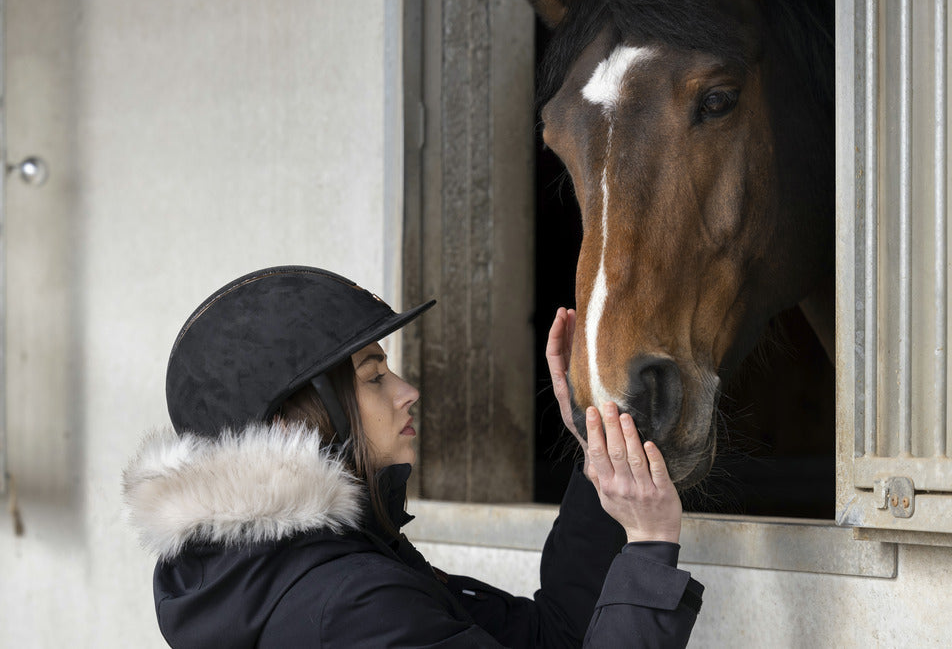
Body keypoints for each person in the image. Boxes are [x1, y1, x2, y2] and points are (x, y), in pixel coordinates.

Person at [123, 265, 703, 648]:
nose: (407, 390)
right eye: (374, 377)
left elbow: (553, 638)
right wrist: (649, 545)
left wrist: (591, 458)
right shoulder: (354, 606)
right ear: (289, 428)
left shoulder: (301, 571)